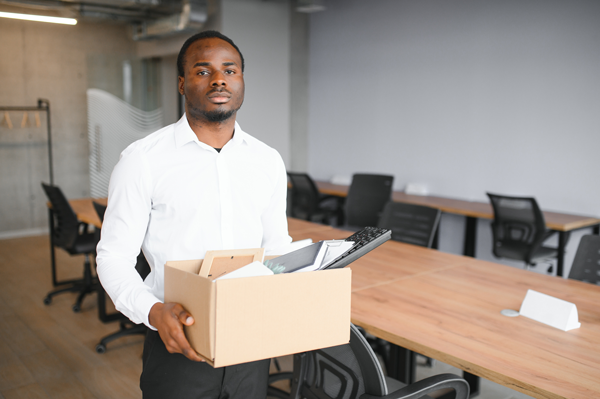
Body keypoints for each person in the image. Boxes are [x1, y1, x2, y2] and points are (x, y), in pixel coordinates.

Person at [96, 30, 292, 399]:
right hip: (177, 338)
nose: (219, 78)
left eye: (230, 70)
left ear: (241, 81)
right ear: (183, 84)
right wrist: (152, 311)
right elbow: (113, 257)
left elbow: (276, 245)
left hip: (250, 338)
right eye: (203, 71)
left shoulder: (267, 160)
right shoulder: (143, 160)